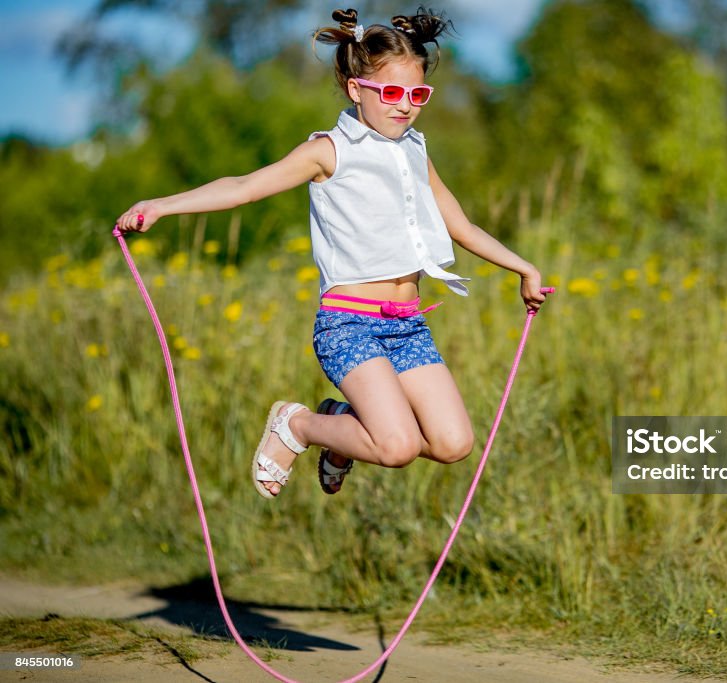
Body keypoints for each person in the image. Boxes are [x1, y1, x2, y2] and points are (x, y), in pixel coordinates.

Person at [115, 7, 547, 499]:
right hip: (350, 324)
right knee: (397, 446)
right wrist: (163, 206)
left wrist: (523, 268)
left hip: (408, 325)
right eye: (391, 92)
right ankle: (297, 425)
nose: (404, 106)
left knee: (453, 443)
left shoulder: (414, 151)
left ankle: (340, 420)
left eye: (417, 94)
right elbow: (245, 187)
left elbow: (462, 226)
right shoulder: (329, 151)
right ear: (355, 89)